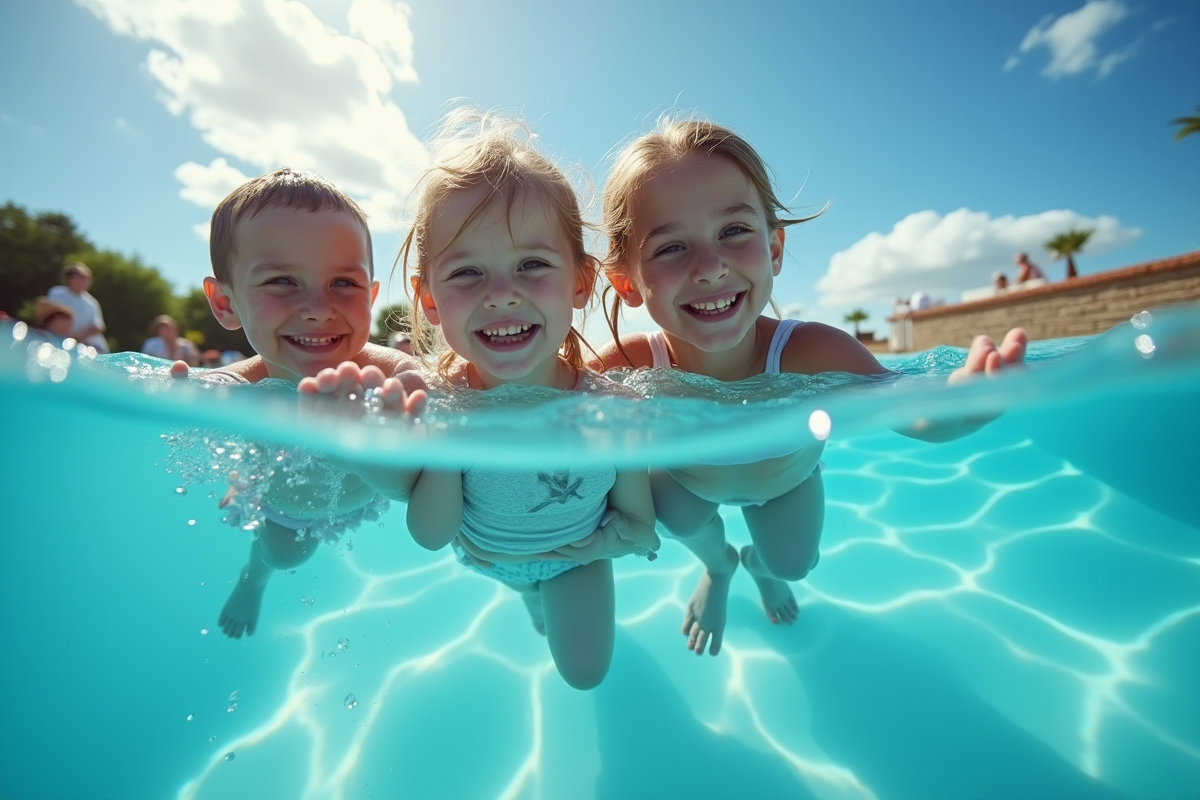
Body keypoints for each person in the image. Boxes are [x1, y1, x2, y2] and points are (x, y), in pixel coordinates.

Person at [593, 117, 1027, 656]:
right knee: (677, 520)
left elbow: (910, 413)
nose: (709, 268)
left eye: (733, 232)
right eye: (670, 248)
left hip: (785, 482)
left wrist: (960, 408)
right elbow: (555, 420)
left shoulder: (813, 353)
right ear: (627, 281)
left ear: (774, 248)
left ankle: (756, 564)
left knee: (795, 564)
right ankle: (720, 566)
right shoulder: (627, 368)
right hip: (690, 485)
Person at [332, 110, 659, 690]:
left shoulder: (613, 412)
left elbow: (638, 524)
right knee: (534, 608)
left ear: (581, 282)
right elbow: (432, 534)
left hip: (576, 561)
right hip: (491, 559)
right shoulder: (443, 409)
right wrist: (441, 440)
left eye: (532, 264)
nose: (502, 294)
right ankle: (534, 603)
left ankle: (543, 601)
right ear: (429, 299)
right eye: (467, 273)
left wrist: (593, 549)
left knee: (585, 673)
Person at [174, 166, 427, 639]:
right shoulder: (246, 384)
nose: (316, 306)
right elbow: (219, 385)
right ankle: (255, 577)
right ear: (226, 303)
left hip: (367, 489)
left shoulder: (382, 368)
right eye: (282, 281)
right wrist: (201, 389)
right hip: (293, 509)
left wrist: (415, 387)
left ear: (371, 298)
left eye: (344, 284)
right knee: (286, 555)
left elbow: (421, 383)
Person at [47, 262, 109, 352]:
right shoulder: (56, 293)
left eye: (87, 278)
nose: (85, 280)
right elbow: (50, 316)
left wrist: (78, 337)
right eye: (81, 277)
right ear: (69, 277)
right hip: (59, 342)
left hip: (91, 348)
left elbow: (98, 327)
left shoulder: (92, 302)